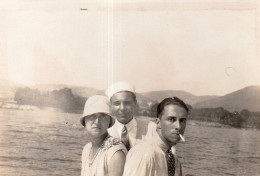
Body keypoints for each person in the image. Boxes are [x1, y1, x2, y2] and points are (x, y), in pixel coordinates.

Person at [123, 97, 189, 176]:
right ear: (158, 123)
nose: (178, 126)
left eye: (182, 121)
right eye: (171, 119)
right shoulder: (144, 154)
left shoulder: (174, 159)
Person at [80, 95, 127, 176]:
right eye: (92, 116)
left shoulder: (115, 153)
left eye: (103, 117)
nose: (97, 121)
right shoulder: (87, 149)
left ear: (109, 122)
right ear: (85, 120)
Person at [106, 81, 157, 150]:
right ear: (111, 105)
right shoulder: (106, 131)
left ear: (135, 103)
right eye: (117, 103)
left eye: (127, 103)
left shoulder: (152, 129)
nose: (122, 108)